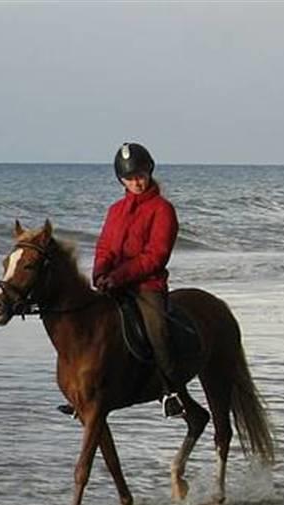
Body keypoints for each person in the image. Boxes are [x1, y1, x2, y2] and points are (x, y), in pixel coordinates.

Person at [92, 142, 184, 417]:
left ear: (149, 172)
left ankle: (171, 391)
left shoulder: (162, 209)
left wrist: (119, 275)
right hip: (113, 284)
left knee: (157, 330)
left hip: (147, 286)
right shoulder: (115, 211)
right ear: (122, 181)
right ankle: (88, 389)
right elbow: (105, 247)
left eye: (141, 175)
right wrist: (99, 273)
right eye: (130, 178)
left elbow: (156, 255)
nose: (137, 182)